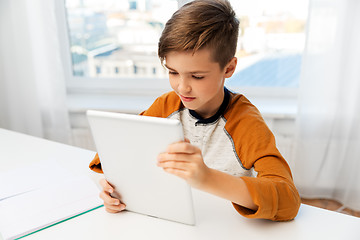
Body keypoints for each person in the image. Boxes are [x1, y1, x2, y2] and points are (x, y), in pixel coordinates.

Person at [89, 0, 301, 221]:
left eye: (197, 76)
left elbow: (289, 202)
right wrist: (112, 188)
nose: (182, 87)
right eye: (173, 72)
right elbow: (115, 153)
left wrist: (207, 178)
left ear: (229, 68)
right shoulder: (166, 106)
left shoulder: (245, 122)